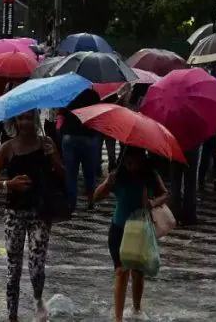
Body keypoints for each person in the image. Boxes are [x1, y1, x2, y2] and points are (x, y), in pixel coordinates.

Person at [0, 110, 64, 322]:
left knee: (37, 266)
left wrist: (54, 158)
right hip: (14, 213)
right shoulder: (7, 148)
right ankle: (12, 316)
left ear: (36, 119)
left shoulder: (46, 143)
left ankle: (38, 300)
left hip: (40, 212)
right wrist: (8, 184)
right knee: (13, 268)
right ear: (15, 121)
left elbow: (63, 175)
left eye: (29, 118)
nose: (25, 122)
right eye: (21, 118)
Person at [94, 147, 168, 322]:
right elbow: (95, 197)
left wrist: (152, 202)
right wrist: (107, 184)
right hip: (119, 228)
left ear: (141, 158)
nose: (129, 160)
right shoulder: (118, 175)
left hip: (140, 231)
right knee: (121, 271)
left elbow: (165, 194)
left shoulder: (150, 175)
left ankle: (136, 309)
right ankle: (118, 319)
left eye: (134, 156)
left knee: (137, 272)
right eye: (127, 156)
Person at [59, 89, 100, 211]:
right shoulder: (93, 95)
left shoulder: (68, 92)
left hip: (69, 136)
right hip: (89, 135)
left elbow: (61, 112)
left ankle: (71, 203)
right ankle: (90, 201)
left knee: (71, 173)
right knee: (90, 172)